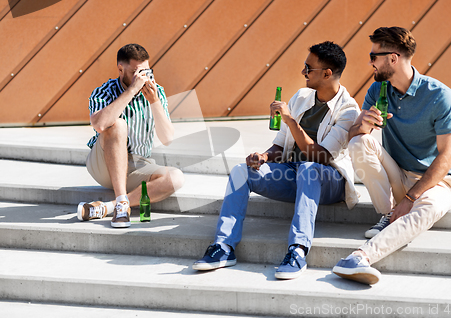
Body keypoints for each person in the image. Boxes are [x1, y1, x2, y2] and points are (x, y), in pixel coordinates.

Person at [192, 41, 360, 279]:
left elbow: (320, 156)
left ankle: (298, 250)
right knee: (241, 171)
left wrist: (291, 121)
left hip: (328, 181)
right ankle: (224, 247)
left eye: (308, 68)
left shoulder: (348, 110)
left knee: (310, 169)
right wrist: (263, 157)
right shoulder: (302, 96)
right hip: (293, 172)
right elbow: (280, 147)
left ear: (327, 73)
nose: (303, 72)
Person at [333, 27, 451, 285]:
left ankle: (360, 257)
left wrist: (412, 196)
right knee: (360, 142)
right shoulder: (378, 90)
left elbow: (447, 155)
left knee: (430, 207)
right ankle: (389, 214)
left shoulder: (438, 95)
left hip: (435, 182)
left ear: (393, 58)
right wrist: (362, 126)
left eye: (373, 56)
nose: (370, 62)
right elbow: (352, 138)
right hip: (397, 174)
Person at [77, 44, 184, 228]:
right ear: (121, 69)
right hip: (103, 162)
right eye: (137, 71)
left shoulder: (157, 91)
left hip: (139, 163)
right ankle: (121, 201)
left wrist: (155, 102)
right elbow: (100, 124)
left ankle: (110, 207)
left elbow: (167, 138)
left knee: (176, 177)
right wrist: (132, 90)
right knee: (117, 124)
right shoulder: (104, 92)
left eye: (147, 70)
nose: (144, 76)